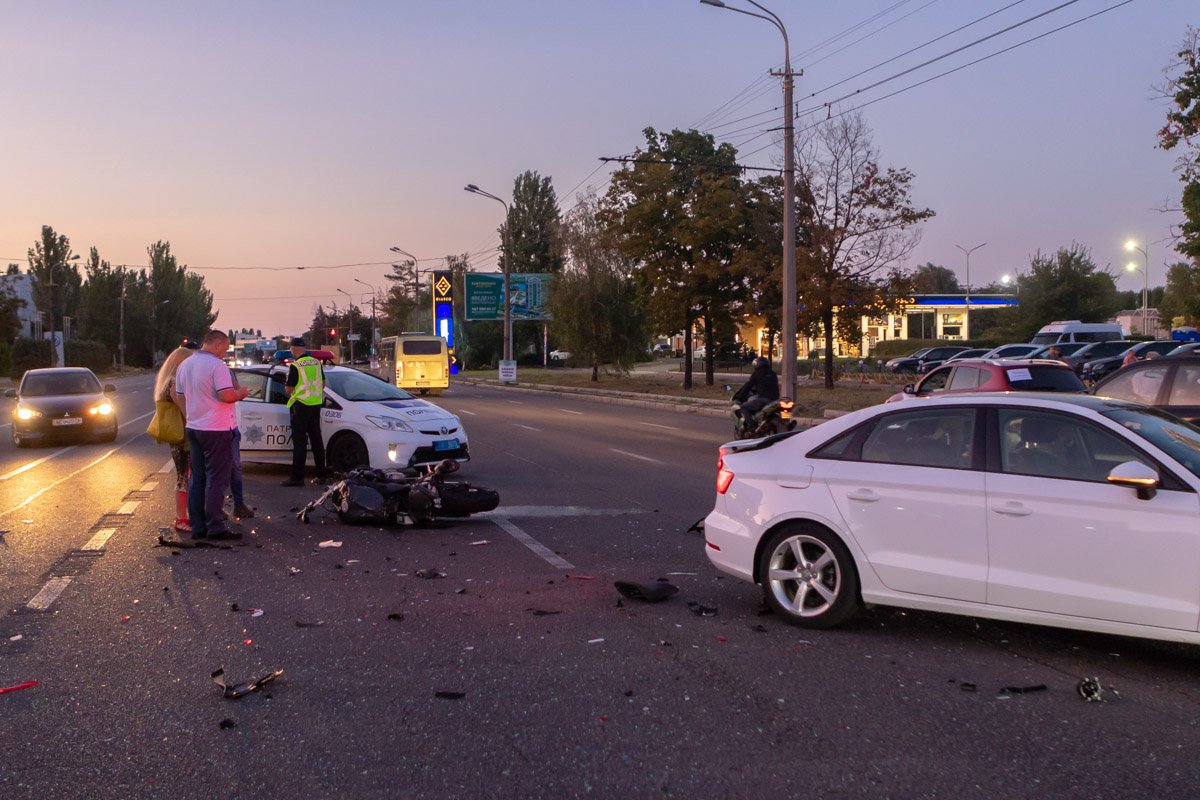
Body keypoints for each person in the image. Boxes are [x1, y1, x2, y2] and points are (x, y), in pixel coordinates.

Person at [173, 330, 250, 539]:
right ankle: (215, 527)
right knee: (217, 478)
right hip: (217, 429)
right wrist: (241, 394)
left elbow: (179, 396)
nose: (225, 352)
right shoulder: (217, 366)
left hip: (194, 428)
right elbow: (226, 395)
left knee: (197, 478)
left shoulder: (185, 365)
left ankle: (198, 526)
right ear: (216, 345)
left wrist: (190, 417)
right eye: (225, 348)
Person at [154, 344, 195, 533]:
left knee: (185, 474)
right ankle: (181, 518)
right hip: (182, 434)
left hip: (177, 433)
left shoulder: (166, 380)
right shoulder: (173, 382)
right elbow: (183, 407)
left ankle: (186, 515)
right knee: (184, 475)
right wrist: (197, 422)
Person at [282, 336, 328, 487]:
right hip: (315, 405)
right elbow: (323, 383)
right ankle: (321, 475)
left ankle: (297, 478)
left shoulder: (296, 366)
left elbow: (289, 388)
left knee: (300, 443)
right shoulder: (316, 363)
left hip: (300, 406)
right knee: (316, 440)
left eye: (291, 349)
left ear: (294, 349)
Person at [732, 356, 780, 431]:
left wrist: (740, 396)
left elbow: (748, 386)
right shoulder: (773, 374)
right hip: (775, 399)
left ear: (758, 365)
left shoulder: (757, 374)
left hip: (764, 400)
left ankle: (752, 426)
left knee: (744, 407)